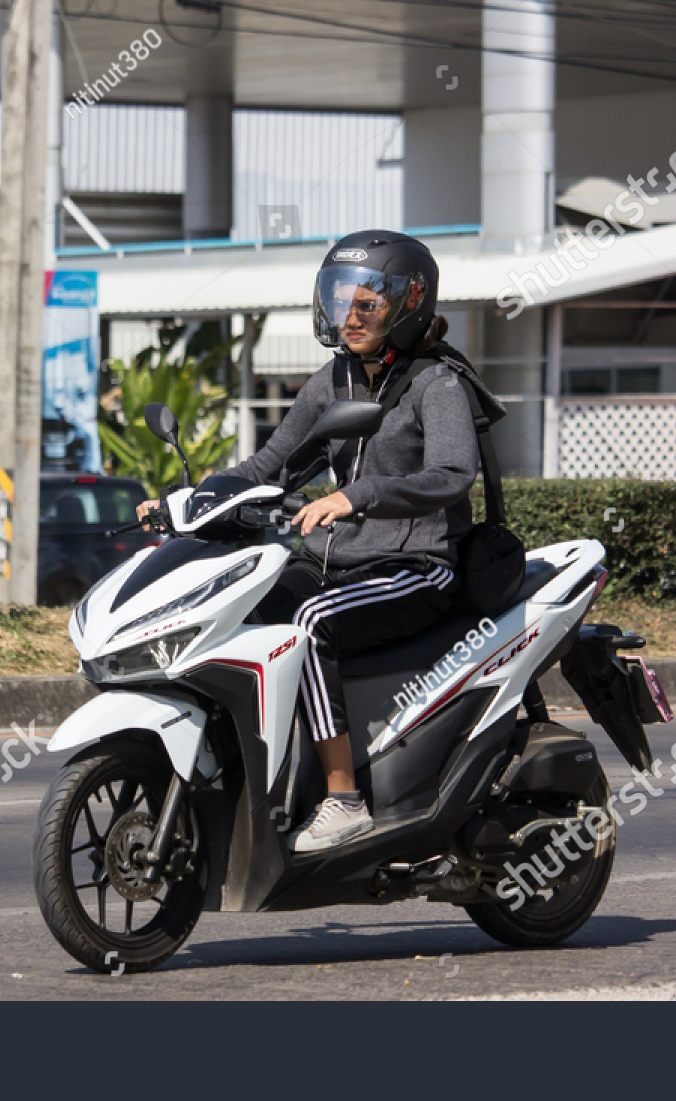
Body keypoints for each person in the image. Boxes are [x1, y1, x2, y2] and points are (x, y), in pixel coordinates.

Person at [137, 231, 483, 852]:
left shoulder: (438, 384)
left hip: (416, 565)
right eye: (340, 302)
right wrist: (184, 502)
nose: (348, 318)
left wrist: (358, 494)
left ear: (409, 304)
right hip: (338, 562)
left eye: (367, 306)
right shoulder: (333, 380)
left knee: (310, 623)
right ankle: (247, 774)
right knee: (242, 612)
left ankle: (343, 798)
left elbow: (453, 475)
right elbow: (268, 464)